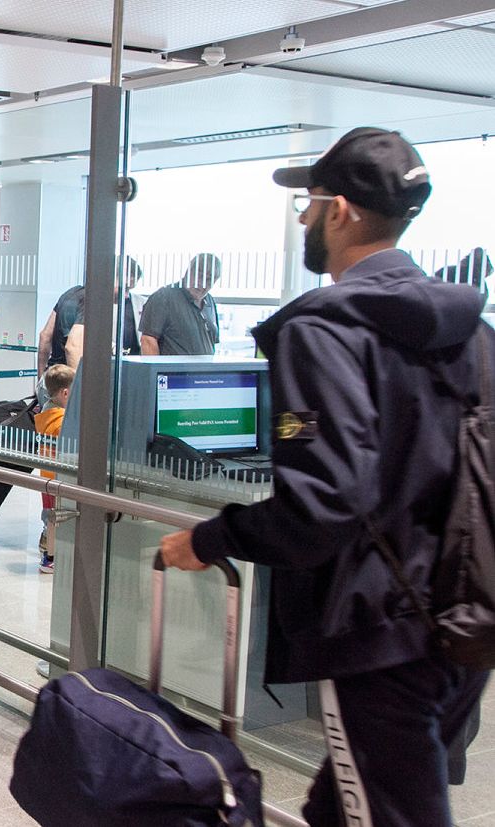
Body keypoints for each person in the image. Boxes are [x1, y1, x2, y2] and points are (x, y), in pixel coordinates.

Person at [159, 127, 488, 826]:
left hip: (382, 631)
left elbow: (324, 501)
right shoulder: (472, 330)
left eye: (307, 205)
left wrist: (213, 537)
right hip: (467, 618)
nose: (303, 219)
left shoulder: (323, 330)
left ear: (339, 211)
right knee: (342, 805)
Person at [54, 257, 143, 370]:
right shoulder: (92, 300)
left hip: (54, 377)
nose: (126, 296)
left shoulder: (71, 293)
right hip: (68, 378)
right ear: (108, 277)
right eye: (124, 288)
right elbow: (72, 347)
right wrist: (77, 386)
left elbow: (45, 337)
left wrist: (42, 380)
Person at [138, 253, 222, 356]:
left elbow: (212, 343)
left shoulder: (210, 302)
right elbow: (148, 341)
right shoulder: (164, 297)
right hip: (172, 370)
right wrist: (153, 371)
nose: (202, 284)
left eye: (209, 280)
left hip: (204, 371)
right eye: (200, 276)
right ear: (188, 272)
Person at [33, 364, 73, 574]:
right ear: (65, 393)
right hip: (58, 478)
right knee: (57, 518)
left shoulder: (46, 415)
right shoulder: (61, 423)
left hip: (46, 477)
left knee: (51, 518)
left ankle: (49, 555)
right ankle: (52, 558)